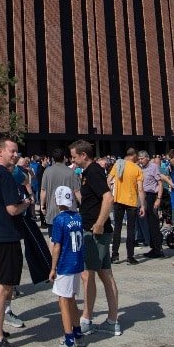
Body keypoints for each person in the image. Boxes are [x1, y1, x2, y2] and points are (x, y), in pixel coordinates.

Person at [0, 138, 32, 347]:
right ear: (0, 152)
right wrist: (26, 203)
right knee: (3, 286)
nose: (16, 155)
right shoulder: (5, 176)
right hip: (5, 236)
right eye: (12, 151)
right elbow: (12, 209)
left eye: (17, 152)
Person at [69, 140, 121, 336]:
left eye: (74, 156)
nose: (72, 160)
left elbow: (108, 197)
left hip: (95, 231)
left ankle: (86, 318)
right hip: (94, 228)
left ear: (84, 155)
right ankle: (112, 320)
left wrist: (99, 223)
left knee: (87, 274)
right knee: (104, 273)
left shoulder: (93, 172)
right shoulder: (87, 173)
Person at [48, 185, 85, 347]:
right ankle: (77, 332)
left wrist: (52, 267)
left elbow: (57, 246)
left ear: (56, 200)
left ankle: (69, 340)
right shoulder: (78, 217)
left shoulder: (59, 220)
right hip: (77, 262)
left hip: (65, 264)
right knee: (71, 299)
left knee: (63, 300)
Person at [108, 148, 144, 265]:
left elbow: (108, 180)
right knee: (130, 229)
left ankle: (115, 255)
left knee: (117, 227)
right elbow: (140, 189)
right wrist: (142, 205)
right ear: (133, 156)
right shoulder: (137, 169)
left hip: (118, 200)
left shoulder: (118, 165)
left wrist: (110, 193)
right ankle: (130, 256)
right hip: (131, 201)